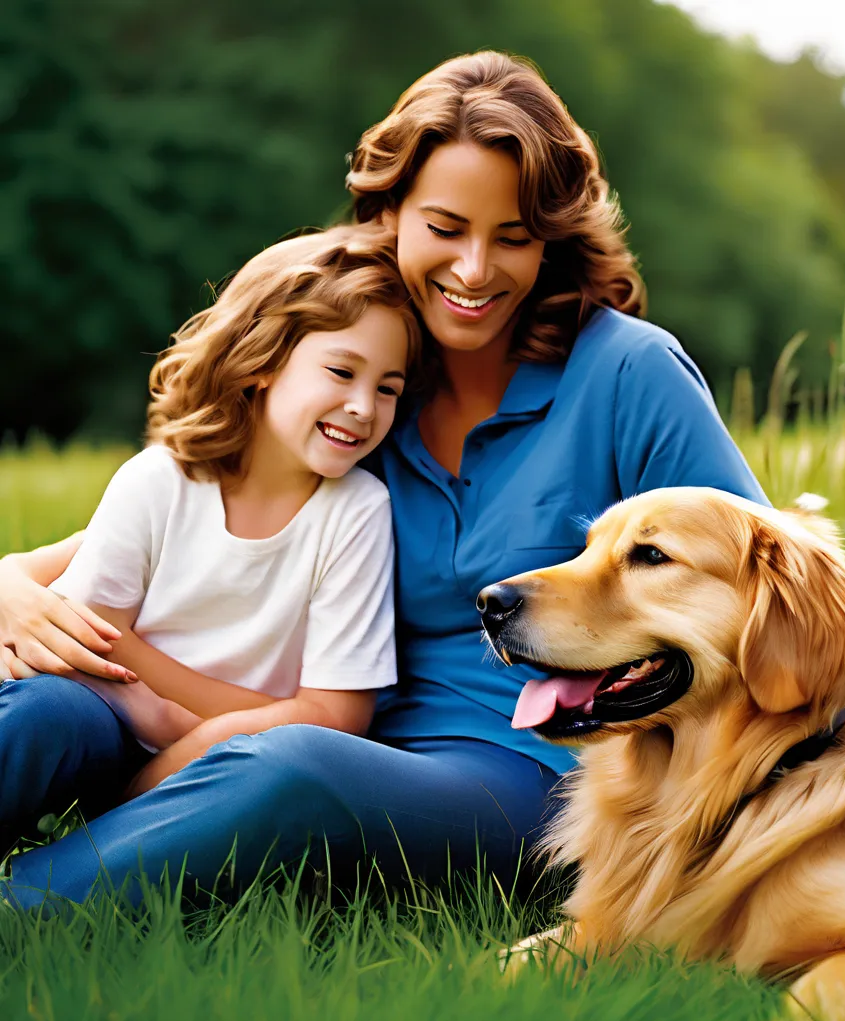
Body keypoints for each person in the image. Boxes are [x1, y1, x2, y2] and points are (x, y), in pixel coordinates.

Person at [0, 51, 768, 909]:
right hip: (338, 739)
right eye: (445, 227)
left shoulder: (629, 374)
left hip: (531, 768)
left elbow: (759, 582)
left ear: (550, 242)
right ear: (390, 214)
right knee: (51, 710)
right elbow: (171, 515)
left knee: (294, 767)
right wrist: (10, 584)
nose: (475, 271)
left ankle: (26, 909)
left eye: (512, 238)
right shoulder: (368, 379)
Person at [0, 224, 419, 800]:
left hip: (233, 762)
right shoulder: (160, 480)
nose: (363, 407)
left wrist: (191, 740)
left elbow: (334, 713)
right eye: (342, 372)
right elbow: (80, 647)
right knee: (39, 713)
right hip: (95, 714)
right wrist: (164, 717)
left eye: (388, 388)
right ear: (263, 361)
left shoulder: (357, 513)